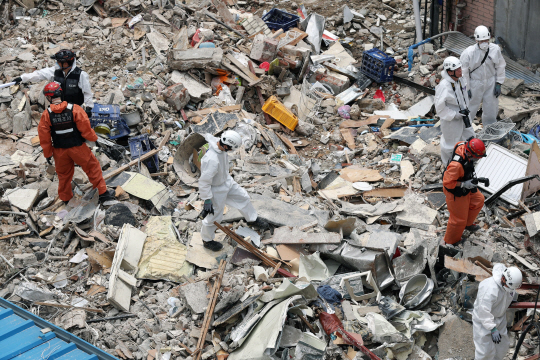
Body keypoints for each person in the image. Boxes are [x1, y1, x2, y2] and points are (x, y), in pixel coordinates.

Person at [38, 81, 114, 204]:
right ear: (61, 94)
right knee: (92, 168)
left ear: (48, 97)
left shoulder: (46, 115)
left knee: (63, 176)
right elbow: (86, 130)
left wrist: (47, 154)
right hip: (78, 148)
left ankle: (66, 199)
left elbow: (44, 138)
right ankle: (103, 194)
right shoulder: (75, 109)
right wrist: (94, 140)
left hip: (59, 151)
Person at [199, 130, 269, 251]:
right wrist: (207, 199)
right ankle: (207, 240)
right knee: (214, 216)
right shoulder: (211, 159)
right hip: (215, 189)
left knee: (243, 197)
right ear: (226, 145)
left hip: (226, 181)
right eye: (230, 149)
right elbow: (204, 182)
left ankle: (252, 220)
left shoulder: (220, 146)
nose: (231, 151)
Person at [13, 49, 94, 118]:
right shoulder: (55, 71)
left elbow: (87, 93)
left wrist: (88, 108)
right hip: (58, 109)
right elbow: (40, 74)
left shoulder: (80, 75)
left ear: (65, 63)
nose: (56, 64)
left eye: (58, 62)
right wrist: (22, 78)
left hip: (75, 110)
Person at [442, 138, 486, 244]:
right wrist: (463, 184)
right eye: (477, 157)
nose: (478, 160)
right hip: (455, 190)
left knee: (479, 200)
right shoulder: (456, 165)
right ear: (471, 154)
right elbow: (447, 182)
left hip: (466, 182)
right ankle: (451, 241)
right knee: (458, 219)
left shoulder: (462, 145)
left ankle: (467, 224)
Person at [473, 264, 522, 360]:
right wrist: (492, 328)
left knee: (502, 346)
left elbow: (507, 295)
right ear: (503, 279)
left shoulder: (509, 284)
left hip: (500, 317)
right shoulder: (489, 289)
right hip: (484, 320)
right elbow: (483, 310)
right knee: (485, 351)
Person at [460, 25, 506, 127]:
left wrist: (498, 83)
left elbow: (500, 66)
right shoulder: (469, 53)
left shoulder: (495, 49)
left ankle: (490, 128)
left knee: (491, 107)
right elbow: (464, 72)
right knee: (470, 106)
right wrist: (466, 88)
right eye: (481, 41)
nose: (484, 43)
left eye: (486, 40)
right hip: (474, 83)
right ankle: (464, 128)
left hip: (490, 82)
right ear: (476, 40)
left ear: (489, 39)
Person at [435, 56, 476, 165]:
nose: (460, 71)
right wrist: (454, 115)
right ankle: (450, 166)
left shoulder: (460, 79)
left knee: (469, 136)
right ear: (449, 72)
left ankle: (467, 161)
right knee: (451, 144)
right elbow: (439, 109)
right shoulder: (444, 86)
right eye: (457, 69)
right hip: (451, 120)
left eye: (460, 68)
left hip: (464, 115)